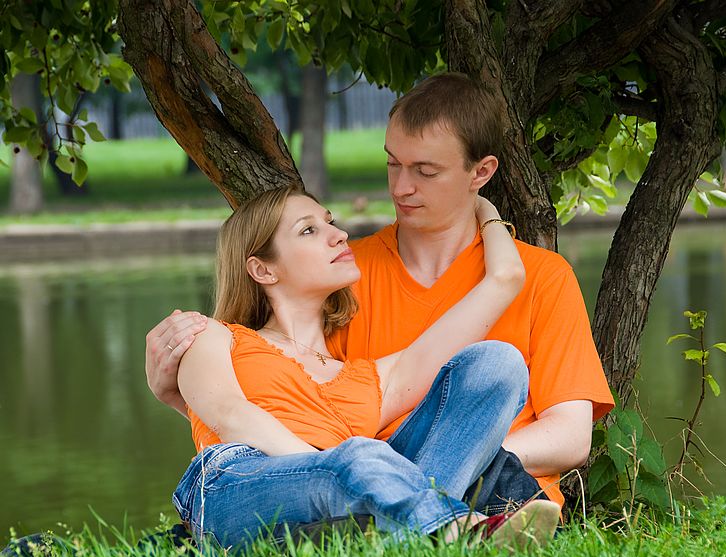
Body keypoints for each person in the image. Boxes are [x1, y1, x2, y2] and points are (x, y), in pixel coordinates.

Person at [147, 73, 614, 515]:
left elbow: (571, 440)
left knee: (497, 363)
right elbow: (284, 407)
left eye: (426, 171)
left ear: (481, 171)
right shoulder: (342, 277)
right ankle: (424, 517)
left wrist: (443, 458)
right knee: (356, 470)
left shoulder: (543, 276)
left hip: (476, 485)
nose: (401, 187)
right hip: (345, 477)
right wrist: (185, 400)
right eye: (394, 163)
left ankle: (417, 511)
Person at [170, 184, 562, 550]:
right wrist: (332, 462)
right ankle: (456, 529)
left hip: (355, 492)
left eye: (331, 222)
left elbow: (504, 280)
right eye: (308, 230)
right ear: (263, 270)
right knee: (361, 454)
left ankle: (404, 537)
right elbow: (230, 415)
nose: (338, 235)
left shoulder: (370, 378)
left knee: (497, 363)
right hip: (236, 487)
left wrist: (480, 204)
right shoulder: (214, 336)